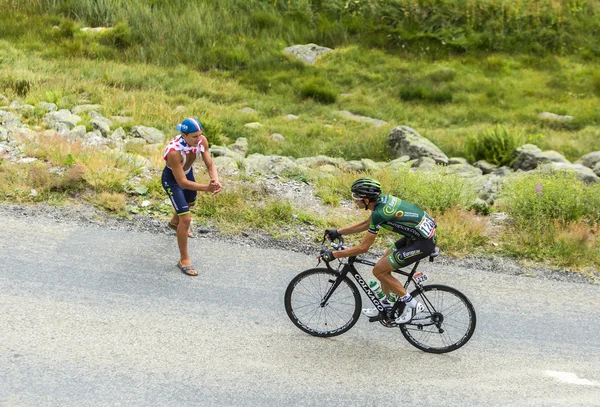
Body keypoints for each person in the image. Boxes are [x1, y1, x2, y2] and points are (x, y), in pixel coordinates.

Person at [320, 177, 437, 324]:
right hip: (416, 237)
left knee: (378, 270)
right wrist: (338, 231)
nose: (355, 200)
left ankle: (413, 305)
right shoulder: (383, 202)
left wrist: (334, 254)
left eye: (357, 197)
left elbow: (363, 248)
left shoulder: (380, 213)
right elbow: (368, 223)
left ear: (367, 199)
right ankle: (387, 304)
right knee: (383, 263)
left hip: (422, 243)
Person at [162, 117, 222, 276]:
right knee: (186, 219)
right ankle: (184, 260)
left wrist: (215, 180)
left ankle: (175, 222)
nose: (199, 139)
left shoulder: (201, 141)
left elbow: (210, 164)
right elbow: (182, 183)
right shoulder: (174, 152)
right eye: (194, 136)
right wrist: (207, 188)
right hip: (174, 180)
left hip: (187, 175)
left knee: (190, 203)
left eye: (200, 135)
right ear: (184, 135)